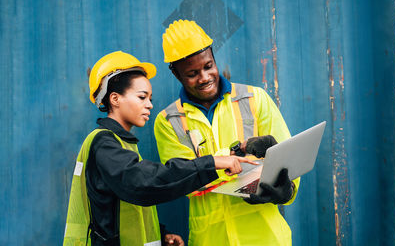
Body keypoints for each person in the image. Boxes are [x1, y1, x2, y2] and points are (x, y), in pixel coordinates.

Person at [63, 51, 254, 246]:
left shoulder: (120, 143)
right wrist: (211, 163)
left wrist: (161, 235)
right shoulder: (105, 144)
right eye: (142, 97)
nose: (149, 105)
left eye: (150, 99)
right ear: (115, 99)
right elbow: (144, 184)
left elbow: (121, 208)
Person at [154, 20, 300, 245]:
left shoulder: (255, 98)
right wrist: (228, 160)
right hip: (211, 238)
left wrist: (288, 190)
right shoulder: (168, 121)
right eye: (192, 73)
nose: (204, 78)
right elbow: (183, 180)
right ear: (176, 73)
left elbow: (288, 157)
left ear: (214, 58)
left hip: (265, 237)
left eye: (208, 66)